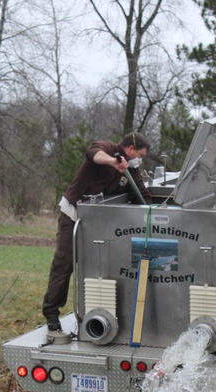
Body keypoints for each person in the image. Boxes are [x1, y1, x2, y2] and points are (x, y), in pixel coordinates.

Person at [43, 132, 151, 336]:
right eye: (140, 155)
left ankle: (96, 315)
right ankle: (51, 313)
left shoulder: (131, 170)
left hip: (98, 223)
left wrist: (151, 215)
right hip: (74, 215)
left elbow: (140, 194)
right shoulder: (107, 149)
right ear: (130, 149)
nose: (140, 160)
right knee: (64, 263)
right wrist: (113, 162)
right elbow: (93, 153)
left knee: (98, 266)